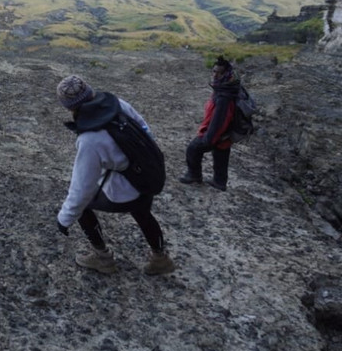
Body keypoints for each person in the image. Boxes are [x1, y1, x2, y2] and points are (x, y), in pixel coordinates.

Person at [55, 75, 175, 276]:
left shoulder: (89, 140)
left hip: (127, 189)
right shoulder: (118, 104)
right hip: (148, 174)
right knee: (142, 212)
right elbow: (145, 131)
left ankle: (103, 259)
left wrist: (64, 219)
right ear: (91, 92)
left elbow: (81, 189)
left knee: (83, 207)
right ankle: (161, 258)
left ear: (69, 107)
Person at [179, 55, 239, 191]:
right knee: (221, 156)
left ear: (227, 74)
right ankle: (219, 182)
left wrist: (209, 138)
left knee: (193, 149)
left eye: (219, 72)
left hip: (218, 133)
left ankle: (194, 175)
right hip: (225, 134)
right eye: (214, 71)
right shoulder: (228, 88)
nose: (215, 75)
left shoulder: (224, 96)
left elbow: (219, 120)